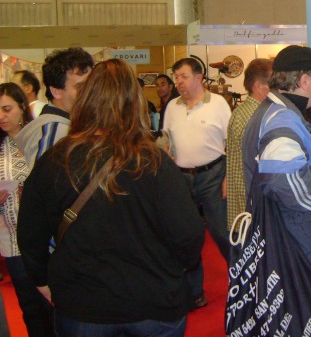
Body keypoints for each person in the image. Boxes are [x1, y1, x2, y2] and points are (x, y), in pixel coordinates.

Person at [17, 59, 205, 336]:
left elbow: (30, 231)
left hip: (83, 304)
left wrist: (42, 279)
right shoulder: (154, 161)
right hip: (153, 300)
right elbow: (188, 234)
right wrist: (171, 270)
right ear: (136, 103)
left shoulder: (57, 158)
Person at [238, 45, 311, 335]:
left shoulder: (273, 112)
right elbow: (295, 192)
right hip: (295, 249)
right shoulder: (282, 121)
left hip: (286, 243)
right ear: (303, 81)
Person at [163, 57, 231, 308]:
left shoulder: (219, 104)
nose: (178, 82)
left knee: (222, 233)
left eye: (183, 76)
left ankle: (243, 282)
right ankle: (194, 293)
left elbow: (232, 142)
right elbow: (166, 140)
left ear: (199, 77)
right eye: (176, 77)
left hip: (213, 175)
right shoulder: (172, 107)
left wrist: (228, 178)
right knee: (186, 237)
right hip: (180, 178)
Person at [0, 83, 54, 336]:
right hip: (12, 241)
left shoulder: (40, 138)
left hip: (45, 239)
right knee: (30, 308)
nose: (1, 116)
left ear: (22, 106)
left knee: (54, 306)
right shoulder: (1, 148)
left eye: (7, 108)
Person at [16, 47, 94, 168]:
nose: (91, 91)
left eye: (92, 84)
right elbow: (44, 185)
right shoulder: (53, 132)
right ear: (56, 91)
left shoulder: (70, 126)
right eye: (81, 87)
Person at [225, 58, 272, 228]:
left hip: (242, 205)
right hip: (253, 205)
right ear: (258, 86)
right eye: (272, 84)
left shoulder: (242, 112)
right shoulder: (258, 117)